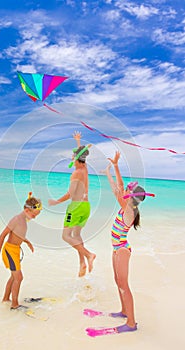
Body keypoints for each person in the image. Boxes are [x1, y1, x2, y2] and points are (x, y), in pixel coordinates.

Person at [104, 150, 146, 333]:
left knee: (124, 285)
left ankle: (131, 323)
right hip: (117, 248)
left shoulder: (129, 210)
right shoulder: (127, 207)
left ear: (132, 196)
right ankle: (123, 311)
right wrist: (114, 166)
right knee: (117, 280)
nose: (125, 190)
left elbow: (117, 190)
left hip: (122, 250)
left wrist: (109, 173)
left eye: (129, 190)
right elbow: (120, 187)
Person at [48, 131, 96, 277]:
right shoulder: (84, 169)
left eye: (72, 155)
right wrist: (78, 141)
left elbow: (70, 194)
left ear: (75, 157)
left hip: (75, 207)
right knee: (76, 234)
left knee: (65, 235)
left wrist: (55, 202)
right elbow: (82, 154)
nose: (71, 157)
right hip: (86, 207)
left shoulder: (76, 174)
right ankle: (82, 263)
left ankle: (88, 255)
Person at [0, 192, 42, 310]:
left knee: (14, 277)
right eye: (34, 215)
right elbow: (2, 235)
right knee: (19, 277)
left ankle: (5, 299)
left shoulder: (24, 219)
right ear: (28, 211)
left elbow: (19, 233)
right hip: (9, 251)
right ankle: (14, 304)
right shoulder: (16, 219)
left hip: (15, 251)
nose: (35, 217)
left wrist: (27, 241)